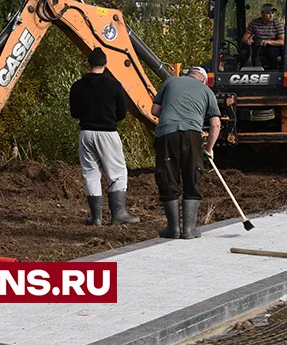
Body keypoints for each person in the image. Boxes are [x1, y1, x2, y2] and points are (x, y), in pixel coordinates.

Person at [69, 47, 140, 225]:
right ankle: (118, 214)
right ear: (105, 64)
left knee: (91, 173)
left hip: (85, 133)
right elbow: (122, 112)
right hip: (108, 132)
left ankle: (96, 217)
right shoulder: (114, 85)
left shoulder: (77, 86)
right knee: (117, 172)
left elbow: (74, 112)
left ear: (88, 64)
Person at [151, 66, 221, 239]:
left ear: (187, 75)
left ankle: (173, 228)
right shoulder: (207, 91)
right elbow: (216, 125)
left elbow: (154, 111)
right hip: (192, 136)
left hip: (167, 134)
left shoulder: (170, 81)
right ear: (203, 79)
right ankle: (189, 229)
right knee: (192, 177)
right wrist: (208, 149)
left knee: (168, 177)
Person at [240, 3, 285, 69]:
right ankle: (246, 73)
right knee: (243, 53)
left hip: (272, 47)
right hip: (258, 46)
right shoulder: (255, 22)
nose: (271, 15)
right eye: (268, 13)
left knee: (272, 53)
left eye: (272, 13)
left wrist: (269, 42)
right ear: (262, 13)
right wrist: (247, 40)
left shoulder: (277, 24)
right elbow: (244, 38)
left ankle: (272, 72)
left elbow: (282, 41)